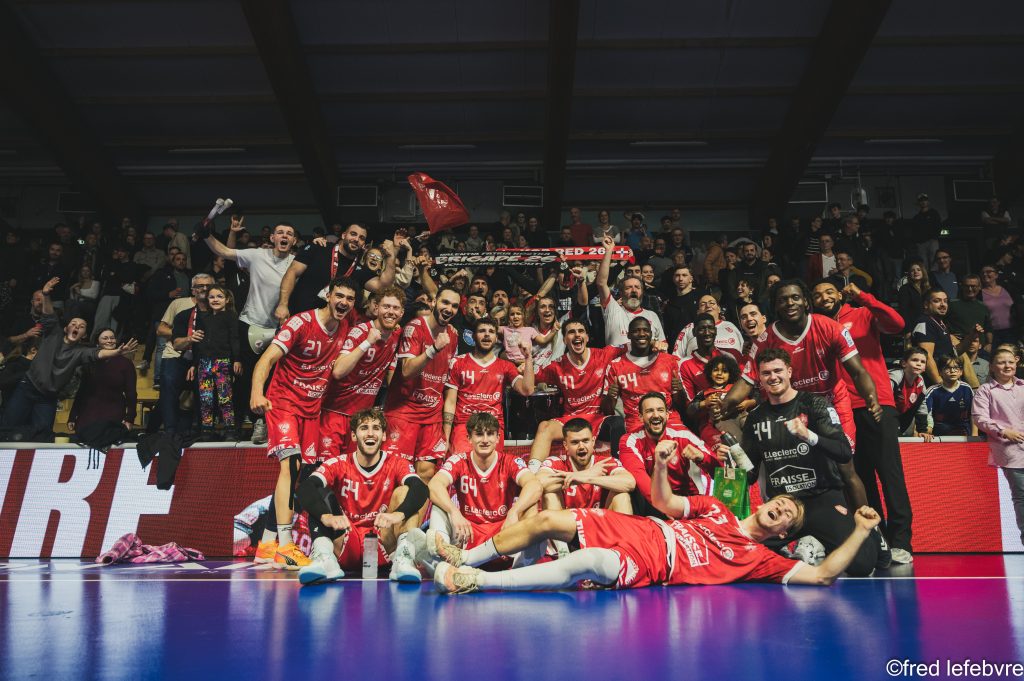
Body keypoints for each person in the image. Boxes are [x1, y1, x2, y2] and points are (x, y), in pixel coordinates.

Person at [426, 468, 882, 594]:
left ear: (783, 532)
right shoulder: (717, 509)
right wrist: (661, 466)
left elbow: (823, 575)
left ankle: (476, 581)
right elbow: (665, 504)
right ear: (764, 502)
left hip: (655, 561)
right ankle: (467, 558)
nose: (780, 509)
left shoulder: (760, 558)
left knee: (586, 561)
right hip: (642, 527)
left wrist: (861, 531)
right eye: (780, 503)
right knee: (547, 520)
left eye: (787, 516)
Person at [719, 280, 882, 509]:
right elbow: (747, 380)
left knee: (845, 467)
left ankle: (867, 527)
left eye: (795, 297)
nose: (790, 303)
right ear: (775, 306)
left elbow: (858, 371)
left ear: (805, 301)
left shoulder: (829, 327)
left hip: (832, 404)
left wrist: (871, 398)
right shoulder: (765, 340)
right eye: (783, 299)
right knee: (796, 473)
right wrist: (726, 404)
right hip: (793, 412)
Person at [735, 348, 887, 577]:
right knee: (743, 553)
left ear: (789, 371)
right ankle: (807, 543)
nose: (773, 377)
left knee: (861, 567)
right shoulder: (756, 418)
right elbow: (750, 474)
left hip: (821, 498)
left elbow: (843, 452)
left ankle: (872, 535)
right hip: (783, 508)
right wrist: (732, 458)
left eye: (778, 371)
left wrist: (809, 436)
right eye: (766, 373)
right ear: (760, 378)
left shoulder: (814, 404)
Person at [249, 278, 359, 569]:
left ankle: (266, 545)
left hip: (312, 411)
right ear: (328, 295)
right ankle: (286, 546)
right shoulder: (301, 323)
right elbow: (266, 359)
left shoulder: (345, 328)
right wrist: (257, 392)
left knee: (300, 475)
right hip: (283, 402)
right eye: (339, 295)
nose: (343, 302)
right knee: (291, 465)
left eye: (349, 298)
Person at [811, 280, 914, 563]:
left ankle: (902, 541)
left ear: (840, 294)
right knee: (860, 479)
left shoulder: (862, 314)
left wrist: (864, 297)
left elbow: (897, 324)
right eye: (817, 295)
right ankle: (879, 540)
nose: (824, 297)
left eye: (829, 292)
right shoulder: (815, 326)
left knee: (890, 474)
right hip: (839, 410)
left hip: (876, 404)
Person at [295, 408, 430, 584]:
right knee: (318, 490)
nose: (370, 433)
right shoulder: (339, 463)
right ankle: (324, 557)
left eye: (376, 428)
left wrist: (398, 514)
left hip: (382, 541)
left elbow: (421, 489)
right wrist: (326, 516)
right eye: (364, 428)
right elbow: (306, 488)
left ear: (384, 436)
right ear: (353, 436)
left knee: (406, 491)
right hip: (346, 540)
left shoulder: (397, 463)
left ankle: (404, 559)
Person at [203, 217, 299, 443]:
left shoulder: (298, 263)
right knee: (244, 379)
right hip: (251, 324)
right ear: (272, 238)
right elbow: (224, 251)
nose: (284, 236)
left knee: (273, 379)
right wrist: (206, 234)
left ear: (294, 241)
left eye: (289, 233)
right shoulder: (257, 255)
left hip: (280, 328)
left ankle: (263, 423)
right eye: (280, 232)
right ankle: (236, 425)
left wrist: (322, 244)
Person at [2, 278, 138, 430]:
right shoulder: (54, 333)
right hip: (28, 386)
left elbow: (98, 353)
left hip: (48, 397)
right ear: (66, 329)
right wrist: (46, 294)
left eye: (81, 326)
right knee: (8, 427)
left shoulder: (81, 352)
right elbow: (49, 314)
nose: (77, 327)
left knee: (43, 434)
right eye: (73, 324)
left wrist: (117, 351)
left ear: (84, 335)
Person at [424, 412, 542, 564]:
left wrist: (515, 511)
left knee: (531, 508)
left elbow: (535, 485)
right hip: (469, 531)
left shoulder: (510, 461)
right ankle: (441, 560)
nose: (485, 440)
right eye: (479, 434)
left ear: (498, 438)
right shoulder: (459, 460)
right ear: (469, 438)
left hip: (503, 531)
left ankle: (520, 566)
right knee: (439, 506)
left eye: (490, 434)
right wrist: (454, 511)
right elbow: (434, 485)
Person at [382, 286, 461, 481]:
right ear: (433, 302)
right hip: (403, 412)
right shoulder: (414, 328)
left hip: (432, 416)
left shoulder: (453, 335)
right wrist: (433, 349)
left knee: (426, 473)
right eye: (445, 302)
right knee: (395, 473)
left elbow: (449, 386)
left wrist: (446, 431)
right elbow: (406, 371)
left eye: (454, 306)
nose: (449, 309)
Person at [319, 286, 405, 460]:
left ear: (402, 313)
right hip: (334, 413)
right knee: (325, 470)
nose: (391, 312)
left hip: (361, 419)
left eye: (395, 308)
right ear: (376, 308)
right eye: (386, 306)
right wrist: (367, 343)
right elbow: (338, 371)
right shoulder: (360, 332)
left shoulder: (398, 334)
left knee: (352, 470)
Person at [528, 320, 627, 465]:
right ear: (564, 340)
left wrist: (655, 343)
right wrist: (525, 363)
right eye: (571, 332)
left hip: (596, 419)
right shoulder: (556, 366)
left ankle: (621, 468)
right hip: (571, 420)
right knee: (544, 426)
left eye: (581, 331)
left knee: (617, 422)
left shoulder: (603, 355)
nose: (577, 335)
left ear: (587, 337)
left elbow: (632, 344)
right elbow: (530, 380)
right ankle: (532, 472)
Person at [443, 317, 535, 455]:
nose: (487, 334)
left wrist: (528, 357)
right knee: (463, 463)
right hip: (465, 425)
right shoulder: (458, 362)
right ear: (473, 336)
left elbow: (527, 390)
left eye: (491, 331)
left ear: (496, 338)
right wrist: (445, 438)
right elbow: (450, 402)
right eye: (482, 331)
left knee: (490, 465)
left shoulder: (506, 366)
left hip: (493, 425)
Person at [619, 392, 721, 515]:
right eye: (650, 411)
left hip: (683, 499)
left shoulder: (683, 435)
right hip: (652, 501)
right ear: (641, 417)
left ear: (667, 415)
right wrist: (667, 507)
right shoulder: (630, 440)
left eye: (660, 410)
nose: (656, 415)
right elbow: (640, 478)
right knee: (623, 494)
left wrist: (702, 458)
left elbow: (719, 471)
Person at [275, 223, 397, 323]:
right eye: (353, 234)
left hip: (328, 327)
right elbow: (292, 273)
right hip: (297, 317)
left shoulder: (359, 269)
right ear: (344, 235)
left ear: (363, 244)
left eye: (361, 238)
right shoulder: (319, 248)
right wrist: (283, 305)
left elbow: (382, 286)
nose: (356, 239)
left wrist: (391, 257)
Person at [972, 347, 1024, 544]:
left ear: (1016, 362)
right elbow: (980, 418)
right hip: (1011, 451)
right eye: (1001, 362)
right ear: (992, 367)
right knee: (1021, 497)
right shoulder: (985, 391)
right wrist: (1003, 431)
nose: (1007, 366)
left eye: (1010, 362)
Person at [603, 317, 685, 434]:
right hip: (637, 424)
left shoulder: (670, 361)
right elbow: (607, 411)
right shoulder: (615, 366)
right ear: (628, 335)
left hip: (670, 422)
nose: (641, 334)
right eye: (636, 331)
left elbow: (681, 406)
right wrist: (610, 396)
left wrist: (679, 391)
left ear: (651, 334)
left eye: (645, 330)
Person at [536, 418, 634, 513]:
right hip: (567, 521)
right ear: (566, 445)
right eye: (575, 442)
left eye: (585, 441)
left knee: (622, 495)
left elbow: (629, 483)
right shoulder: (556, 462)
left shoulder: (605, 463)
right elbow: (538, 485)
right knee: (550, 494)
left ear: (593, 442)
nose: (581, 446)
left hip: (601, 521)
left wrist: (588, 478)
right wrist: (586, 473)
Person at [186, 285, 241, 438]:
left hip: (222, 362)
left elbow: (234, 339)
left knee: (225, 397)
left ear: (227, 299)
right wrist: (194, 364)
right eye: (212, 297)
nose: (215, 300)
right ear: (207, 300)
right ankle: (206, 429)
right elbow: (198, 343)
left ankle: (230, 428)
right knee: (206, 398)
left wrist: (237, 360)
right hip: (204, 363)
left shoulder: (230, 316)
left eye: (219, 296)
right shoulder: (204, 318)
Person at [595, 235, 664, 347]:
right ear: (621, 293)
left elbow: (662, 346)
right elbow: (601, 283)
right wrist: (608, 251)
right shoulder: (613, 309)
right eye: (628, 287)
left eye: (637, 287)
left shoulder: (652, 316)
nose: (633, 290)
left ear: (642, 292)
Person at [67, 327, 137, 434]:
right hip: (88, 413)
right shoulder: (90, 362)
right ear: (97, 342)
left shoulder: (125, 363)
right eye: (105, 338)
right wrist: (72, 416)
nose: (110, 341)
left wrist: (130, 418)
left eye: (112, 338)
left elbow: (131, 393)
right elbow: (82, 391)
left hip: (114, 412)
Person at [672, 294, 744, 361]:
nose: (708, 306)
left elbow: (743, 354)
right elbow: (677, 357)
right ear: (698, 312)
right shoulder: (689, 328)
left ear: (719, 309)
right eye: (703, 304)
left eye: (711, 303)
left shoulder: (730, 326)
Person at [918, 355, 976, 436]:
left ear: (961, 372)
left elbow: (974, 413)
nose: (952, 371)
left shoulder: (966, 389)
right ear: (940, 372)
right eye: (947, 368)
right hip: (939, 433)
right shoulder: (933, 391)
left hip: (964, 432)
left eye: (956, 367)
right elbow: (927, 413)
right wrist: (928, 429)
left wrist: (974, 434)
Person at [911, 288, 958, 385]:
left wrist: (972, 336)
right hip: (932, 383)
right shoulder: (925, 322)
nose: (943, 304)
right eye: (937, 301)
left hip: (946, 376)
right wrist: (940, 382)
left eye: (945, 301)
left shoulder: (939, 322)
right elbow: (926, 356)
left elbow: (953, 351)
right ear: (926, 305)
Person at [947, 274, 993, 354]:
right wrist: (949, 336)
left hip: (979, 350)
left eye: (973, 286)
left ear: (979, 287)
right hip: (958, 348)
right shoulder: (951, 304)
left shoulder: (983, 306)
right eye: (967, 286)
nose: (970, 289)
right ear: (962, 287)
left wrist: (989, 343)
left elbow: (988, 327)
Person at [890, 347, 929, 437]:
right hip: (884, 418)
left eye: (923, 362)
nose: (919, 364)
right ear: (904, 363)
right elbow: (883, 404)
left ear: (925, 368)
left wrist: (922, 430)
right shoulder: (895, 376)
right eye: (915, 360)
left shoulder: (920, 381)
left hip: (901, 420)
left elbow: (922, 406)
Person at [897, 260, 931, 335]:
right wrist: (907, 331)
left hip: (928, 325)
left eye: (918, 270)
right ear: (909, 274)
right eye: (912, 270)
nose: (916, 272)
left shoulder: (928, 289)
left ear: (923, 272)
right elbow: (903, 311)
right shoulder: (905, 289)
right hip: (913, 326)